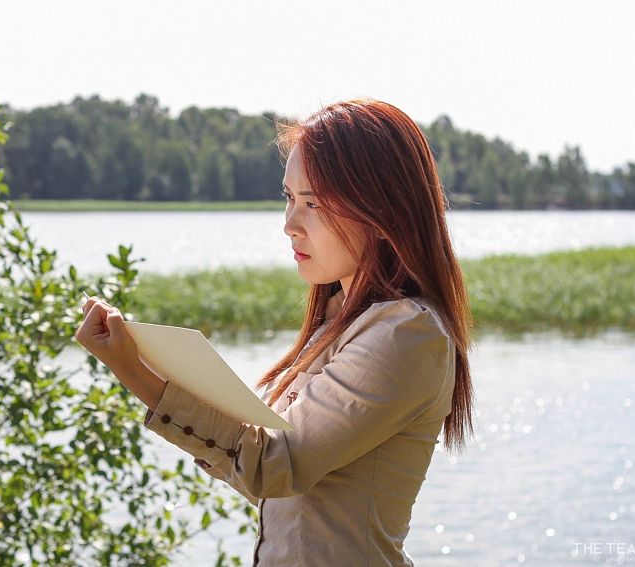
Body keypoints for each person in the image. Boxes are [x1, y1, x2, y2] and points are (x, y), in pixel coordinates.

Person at [76, 97, 475, 567]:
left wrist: (137, 373)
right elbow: (279, 488)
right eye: (289, 198)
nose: (290, 225)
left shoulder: (406, 334)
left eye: (314, 203)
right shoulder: (340, 319)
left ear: (383, 211)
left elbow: (271, 466)